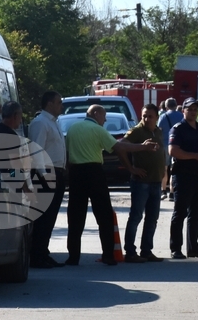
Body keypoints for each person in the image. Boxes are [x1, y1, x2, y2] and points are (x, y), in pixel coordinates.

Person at [65, 105, 159, 266]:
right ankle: (108, 255)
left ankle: (73, 256)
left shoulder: (73, 128)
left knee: (75, 216)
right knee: (104, 216)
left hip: (75, 173)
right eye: (104, 115)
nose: (105, 119)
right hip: (94, 172)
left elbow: (67, 152)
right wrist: (143, 147)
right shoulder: (97, 129)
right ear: (95, 114)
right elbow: (119, 147)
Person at [117, 103, 166, 263]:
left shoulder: (158, 131)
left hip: (156, 181)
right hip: (141, 182)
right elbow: (120, 147)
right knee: (136, 216)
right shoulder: (137, 131)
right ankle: (130, 252)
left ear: (157, 117)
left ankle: (146, 250)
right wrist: (131, 168)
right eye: (144, 115)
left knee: (152, 218)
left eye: (150, 116)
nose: (146, 119)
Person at [169, 97, 198, 260]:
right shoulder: (178, 129)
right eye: (190, 109)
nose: (193, 112)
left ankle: (193, 248)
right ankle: (175, 248)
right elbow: (173, 151)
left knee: (196, 214)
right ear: (183, 111)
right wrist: (196, 156)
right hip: (183, 175)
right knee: (180, 213)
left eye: (195, 109)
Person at [27, 91, 67, 268]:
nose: (61, 105)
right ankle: (36, 255)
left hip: (57, 172)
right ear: (49, 104)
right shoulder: (40, 123)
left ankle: (43, 252)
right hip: (46, 174)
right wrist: (43, 177)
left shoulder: (53, 122)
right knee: (42, 217)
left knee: (50, 217)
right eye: (59, 102)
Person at [158, 98, 183, 200]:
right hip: (177, 146)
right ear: (176, 105)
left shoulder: (163, 116)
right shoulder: (181, 116)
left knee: (164, 168)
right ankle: (172, 193)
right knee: (174, 169)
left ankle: (163, 191)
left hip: (164, 145)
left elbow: (159, 131)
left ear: (166, 106)